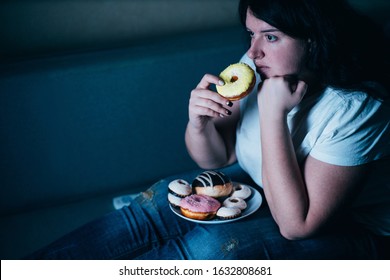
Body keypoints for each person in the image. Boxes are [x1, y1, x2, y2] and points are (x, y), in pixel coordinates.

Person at [27, 0, 389, 259]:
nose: (253, 51)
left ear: (313, 38)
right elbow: (219, 156)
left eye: (271, 37)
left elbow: (297, 225)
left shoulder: (357, 108)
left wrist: (272, 115)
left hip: (355, 230)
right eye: (251, 34)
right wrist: (198, 123)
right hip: (268, 190)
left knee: (211, 249)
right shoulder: (258, 65)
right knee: (161, 201)